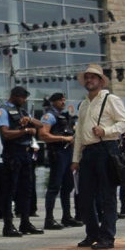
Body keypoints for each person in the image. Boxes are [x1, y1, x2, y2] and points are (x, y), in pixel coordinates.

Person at [71, 64, 125, 250]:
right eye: (87, 77)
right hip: (88, 152)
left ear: (100, 81)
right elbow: (79, 134)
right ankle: (92, 233)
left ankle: (107, 236)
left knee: (107, 195)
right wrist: (75, 158)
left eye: (93, 77)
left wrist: (106, 130)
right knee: (85, 197)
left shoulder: (110, 99)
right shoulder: (83, 104)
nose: (90, 80)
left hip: (106, 149)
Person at [0, 86, 45, 237]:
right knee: (10, 191)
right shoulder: (3, 110)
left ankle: (25, 222)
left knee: (26, 190)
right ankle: (8, 225)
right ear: (15, 96)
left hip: (26, 153)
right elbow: (5, 133)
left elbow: (40, 125)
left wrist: (29, 120)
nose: (24, 100)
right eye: (23, 97)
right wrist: (25, 131)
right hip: (13, 153)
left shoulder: (22, 111)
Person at [39, 92, 82, 229]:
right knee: (54, 186)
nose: (63, 102)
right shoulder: (49, 116)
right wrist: (63, 139)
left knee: (68, 186)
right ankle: (49, 219)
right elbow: (43, 135)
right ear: (53, 102)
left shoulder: (65, 116)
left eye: (64, 99)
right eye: (60, 100)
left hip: (68, 152)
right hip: (58, 153)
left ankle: (67, 216)